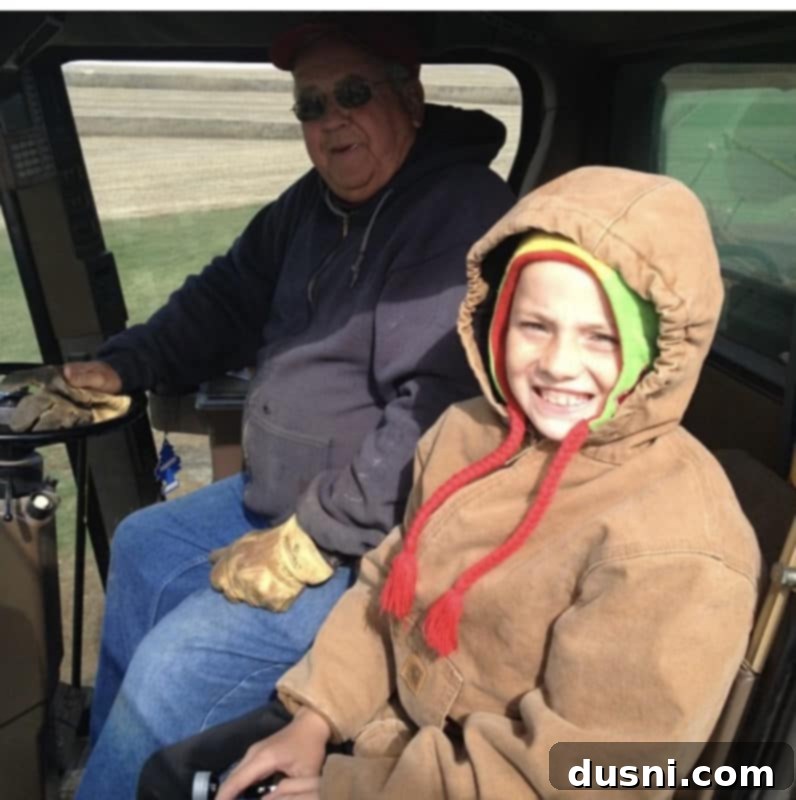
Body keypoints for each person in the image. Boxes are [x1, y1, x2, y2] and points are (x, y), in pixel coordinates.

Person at [201, 166, 761, 800]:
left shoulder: (677, 546)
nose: (556, 364)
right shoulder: (465, 431)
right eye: (535, 326)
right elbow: (388, 582)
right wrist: (317, 715)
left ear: (658, 354)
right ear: (497, 322)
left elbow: (586, 778)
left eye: (601, 338)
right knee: (176, 774)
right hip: (393, 738)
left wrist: (350, 788)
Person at [72, 17, 514, 800]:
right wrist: (125, 363)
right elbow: (223, 298)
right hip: (275, 504)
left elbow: (433, 412)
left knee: (175, 665)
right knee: (141, 543)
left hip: (367, 537)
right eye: (309, 106)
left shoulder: (457, 211)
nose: (329, 120)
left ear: (410, 98)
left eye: (351, 94)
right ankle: (116, 766)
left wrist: (316, 537)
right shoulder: (306, 206)